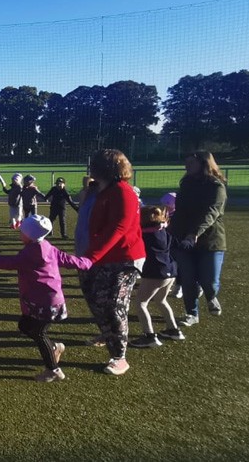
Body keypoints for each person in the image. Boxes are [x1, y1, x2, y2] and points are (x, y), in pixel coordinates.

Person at [0, 215, 93, 382]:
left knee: (39, 334)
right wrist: (87, 262)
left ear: (29, 235)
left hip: (44, 302)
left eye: (22, 231)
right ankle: (54, 347)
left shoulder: (30, 253)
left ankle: (53, 369)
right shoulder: (48, 247)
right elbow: (69, 260)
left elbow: (7, 263)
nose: (20, 234)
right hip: (47, 300)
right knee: (25, 325)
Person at [81, 149, 146, 376]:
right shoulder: (102, 191)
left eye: (94, 164)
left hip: (125, 258)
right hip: (103, 256)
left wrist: (91, 256)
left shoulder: (123, 192)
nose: (90, 167)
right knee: (94, 295)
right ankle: (108, 333)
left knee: (114, 304)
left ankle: (119, 357)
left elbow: (119, 228)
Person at [169, 151, 228, 327]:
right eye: (186, 163)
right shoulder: (186, 184)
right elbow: (179, 212)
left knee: (209, 280)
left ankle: (210, 295)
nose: (186, 166)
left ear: (204, 164)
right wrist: (171, 234)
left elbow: (211, 213)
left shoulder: (217, 187)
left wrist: (194, 233)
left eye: (191, 163)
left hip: (210, 241)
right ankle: (191, 313)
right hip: (183, 240)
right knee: (187, 279)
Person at [131, 205, 185, 348]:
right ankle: (173, 330)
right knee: (161, 300)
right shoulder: (165, 231)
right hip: (171, 271)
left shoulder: (143, 235)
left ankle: (149, 336)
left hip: (155, 272)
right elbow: (179, 244)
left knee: (141, 303)